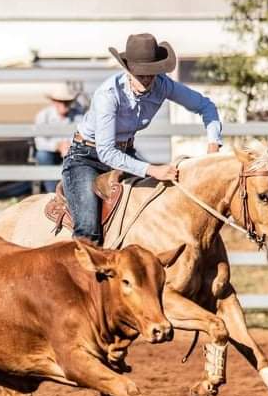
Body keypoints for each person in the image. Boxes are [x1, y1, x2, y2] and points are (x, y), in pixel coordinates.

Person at [62, 33, 222, 244]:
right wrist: (152, 169)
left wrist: (213, 146)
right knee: (88, 229)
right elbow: (106, 152)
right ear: (128, 70)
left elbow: (205, 106)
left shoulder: (163, 85)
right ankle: (83, 261)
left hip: (125, 153)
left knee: (158, 208)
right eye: (140, 74)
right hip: (87, 157)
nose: (146, 79)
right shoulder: (108, 94)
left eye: (151, 74)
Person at [33, 84, 84, 192]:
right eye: (61, 101)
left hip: (72, 151)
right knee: (42, 155)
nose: (64, 104)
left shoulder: (79, 115)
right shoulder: (43, 115)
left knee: (79, 156)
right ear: (54, 102)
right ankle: (52, 192)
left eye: (67, 101)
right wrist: (57, 146)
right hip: (51, 152)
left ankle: (72, 191)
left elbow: (83, 135)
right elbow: (39, 142)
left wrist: (70, 146)